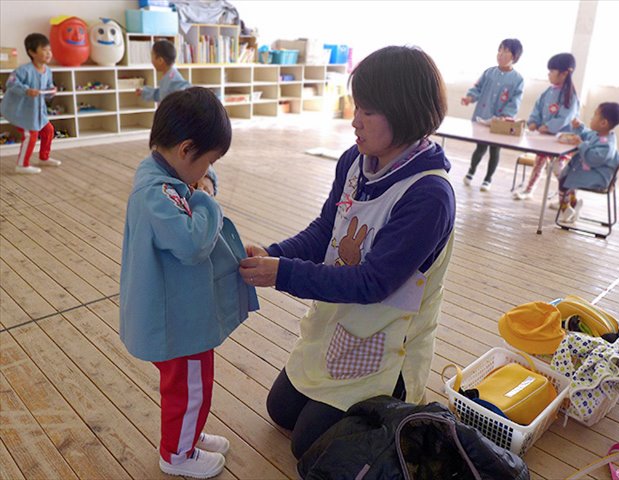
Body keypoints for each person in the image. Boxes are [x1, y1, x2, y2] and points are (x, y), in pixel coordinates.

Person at [239, 46, 456, 459]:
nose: (354, 120)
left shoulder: (429, 193)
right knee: (280, 411)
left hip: (388, 344)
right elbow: (327, 231)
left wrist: (281, 272)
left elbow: (373, 282)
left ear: (405, 112)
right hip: (339, 325)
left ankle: (398, 400)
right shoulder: (355, 162)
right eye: (356, 107)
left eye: (368, 111)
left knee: (308, 447)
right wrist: (272, 252)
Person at [120, 88, 243, 479]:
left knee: (192, 385)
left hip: (175, 313)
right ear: (186, 150)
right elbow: (192, 243)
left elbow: (193, 181)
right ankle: (176, 454)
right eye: (208, 162)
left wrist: (200, 182)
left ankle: (187, 436)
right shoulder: (157, 195)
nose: (207, 173)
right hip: (177, 322)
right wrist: (207, 200)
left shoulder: (160, 174)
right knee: (188, 389)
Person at [136, 39, 219, 197]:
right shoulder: (168, 77)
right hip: (171, 124)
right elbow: (159, 94)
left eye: (152, 57)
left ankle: (195, 180)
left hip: (178, 124)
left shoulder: (173, 78)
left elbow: (184, 89)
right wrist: (145, 92)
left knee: (186, 155)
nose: (152, 61)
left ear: (160, 60)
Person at [461, 38, 524, 191]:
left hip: (500, 122)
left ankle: (488, 178)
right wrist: (470, 97)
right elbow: (477, 88)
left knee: (495, 150)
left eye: (506, 51)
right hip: (483, 116)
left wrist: (506, 116)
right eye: (500, 50)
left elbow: (515, 101)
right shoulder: (489, 73)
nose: (501, 54)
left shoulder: (517, 79)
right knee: (480, 147)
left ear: (514, 57)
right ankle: (471, 171)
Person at [514, 53, 579, 200]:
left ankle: (567, 199)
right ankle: (528, 190)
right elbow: (537, 108)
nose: (549, 74)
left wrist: (548, 127)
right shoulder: (548, 92)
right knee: (538, 164)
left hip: (562, 143)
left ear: (563, 73)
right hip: (545, 141)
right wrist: (533, 122)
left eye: (551, 71)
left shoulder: (571, 96)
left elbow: (565, 117)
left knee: (559, 170)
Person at [1, 33, 61, 174]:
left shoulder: (48, 71)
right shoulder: (23, 70)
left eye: (49, 50)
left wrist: (52, 91)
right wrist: (26, 90)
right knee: (30, 135)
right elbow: (11, 83)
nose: (48, 53)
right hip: (23, 112)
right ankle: (22, 164)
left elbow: (48, 89)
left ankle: (44, 157)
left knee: (48, 130)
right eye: (44, 50)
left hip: (38, 111)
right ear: (32, 52)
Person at [556, 102, 619, 223]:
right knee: (567, 174)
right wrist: (579, 127)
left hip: (598, 178)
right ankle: (574, 204)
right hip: (594, 172)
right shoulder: (600, 134)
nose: (591, 119)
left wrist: (581, 144)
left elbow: (593, 159)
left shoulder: (607, 144)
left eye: (594, 116)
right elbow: (587, 134)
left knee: (564, 180)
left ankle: (566, 209)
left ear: (603, 123)